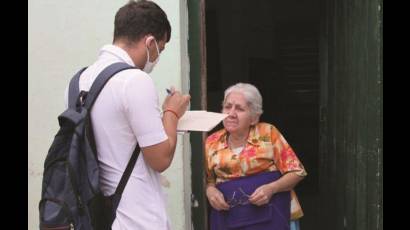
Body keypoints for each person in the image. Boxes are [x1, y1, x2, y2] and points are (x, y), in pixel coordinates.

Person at [64, 1, 190, 229]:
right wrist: (172, 111)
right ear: (150, 42)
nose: (157, 57)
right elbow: (160, 158)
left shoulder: (78, 82)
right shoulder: (134, 80)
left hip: (95, 215)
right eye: (159, 49)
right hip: (136, 217)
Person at [204, 83, 307, 230]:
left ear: (254, 117)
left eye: (239, 108)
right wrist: (210, 191)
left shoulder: (268, 133)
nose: (231, 113)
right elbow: (210, 180)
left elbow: (297, 172)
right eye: (227, 107)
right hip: (231, 218)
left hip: (273, 215)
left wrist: (272, 188)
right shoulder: (211, 142)